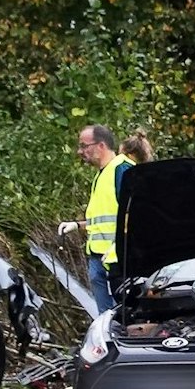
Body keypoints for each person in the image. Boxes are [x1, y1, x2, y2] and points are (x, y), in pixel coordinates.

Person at [60, 124, 134, 313]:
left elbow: (134, 214)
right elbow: (103, 220)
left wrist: (119, 246)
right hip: (99, 259)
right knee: (107, 319)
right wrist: (77, 225)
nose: (80, 151)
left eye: (85, 146)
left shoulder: (122, 170)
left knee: (123, 317)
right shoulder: (101, 175)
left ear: (101, 146)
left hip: (118, 262)